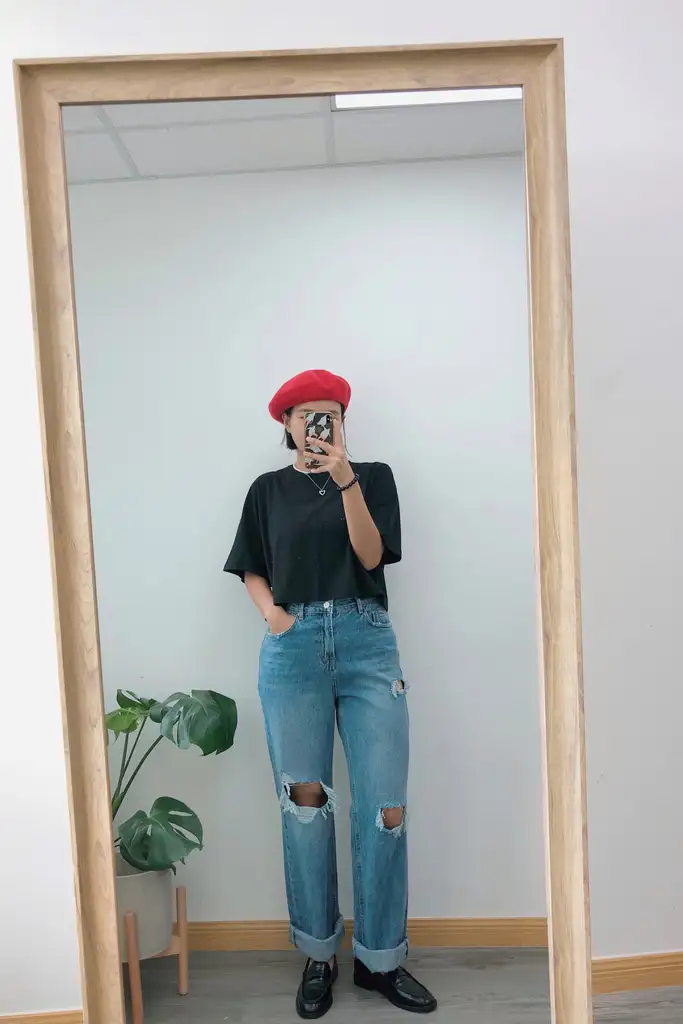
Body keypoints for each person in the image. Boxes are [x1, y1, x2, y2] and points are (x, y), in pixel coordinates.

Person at [225, 369, 437, 1018]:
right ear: (286, 424)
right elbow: (250, 566)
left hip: (366, 642)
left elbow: (371, 557)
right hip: (292, 650)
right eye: (309, 415)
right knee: (306, 804)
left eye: (333, 415)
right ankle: (319, 953)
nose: (321, 425)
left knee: (385, 807)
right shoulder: (267, 491)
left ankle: (380, 960)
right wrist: (274, 617)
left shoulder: (372, 477)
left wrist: (345, 479)